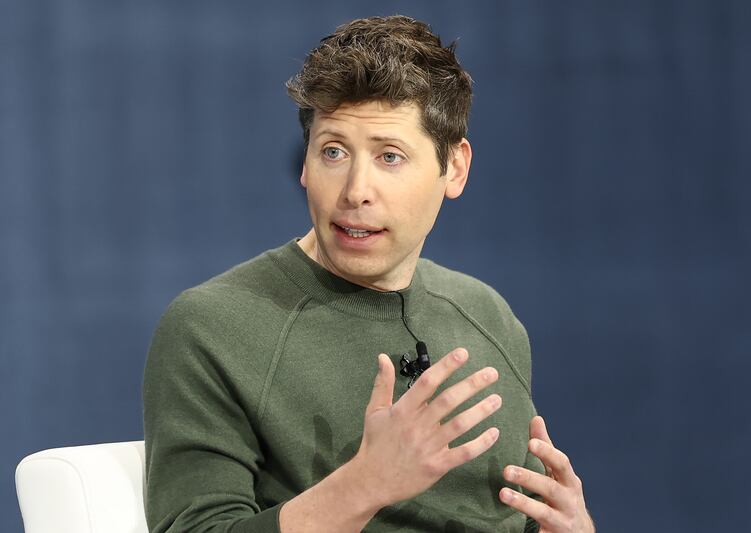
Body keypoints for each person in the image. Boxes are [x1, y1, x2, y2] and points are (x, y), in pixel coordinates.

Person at [143, 15, 594, 533]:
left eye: (389, 157)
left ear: (455, 168)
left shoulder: (488, 315)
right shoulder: (212, 328)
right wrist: (365, 486)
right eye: (333, 152)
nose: (356, 189)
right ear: (306, 165)